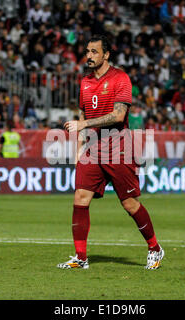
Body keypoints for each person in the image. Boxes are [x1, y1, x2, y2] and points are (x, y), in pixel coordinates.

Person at [58, 35, 164, 270]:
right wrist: (78, 152)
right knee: (80, 198)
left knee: (129, 204)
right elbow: (83, 116)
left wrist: (84, 126)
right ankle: (81, 257)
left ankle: (155, 248)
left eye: (94, 52)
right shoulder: (84, 82)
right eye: (87, 52)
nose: (89, 56)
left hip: (118, 147)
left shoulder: (121, 78)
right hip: (92, 148)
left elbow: (118, 115)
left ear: (106, 55)